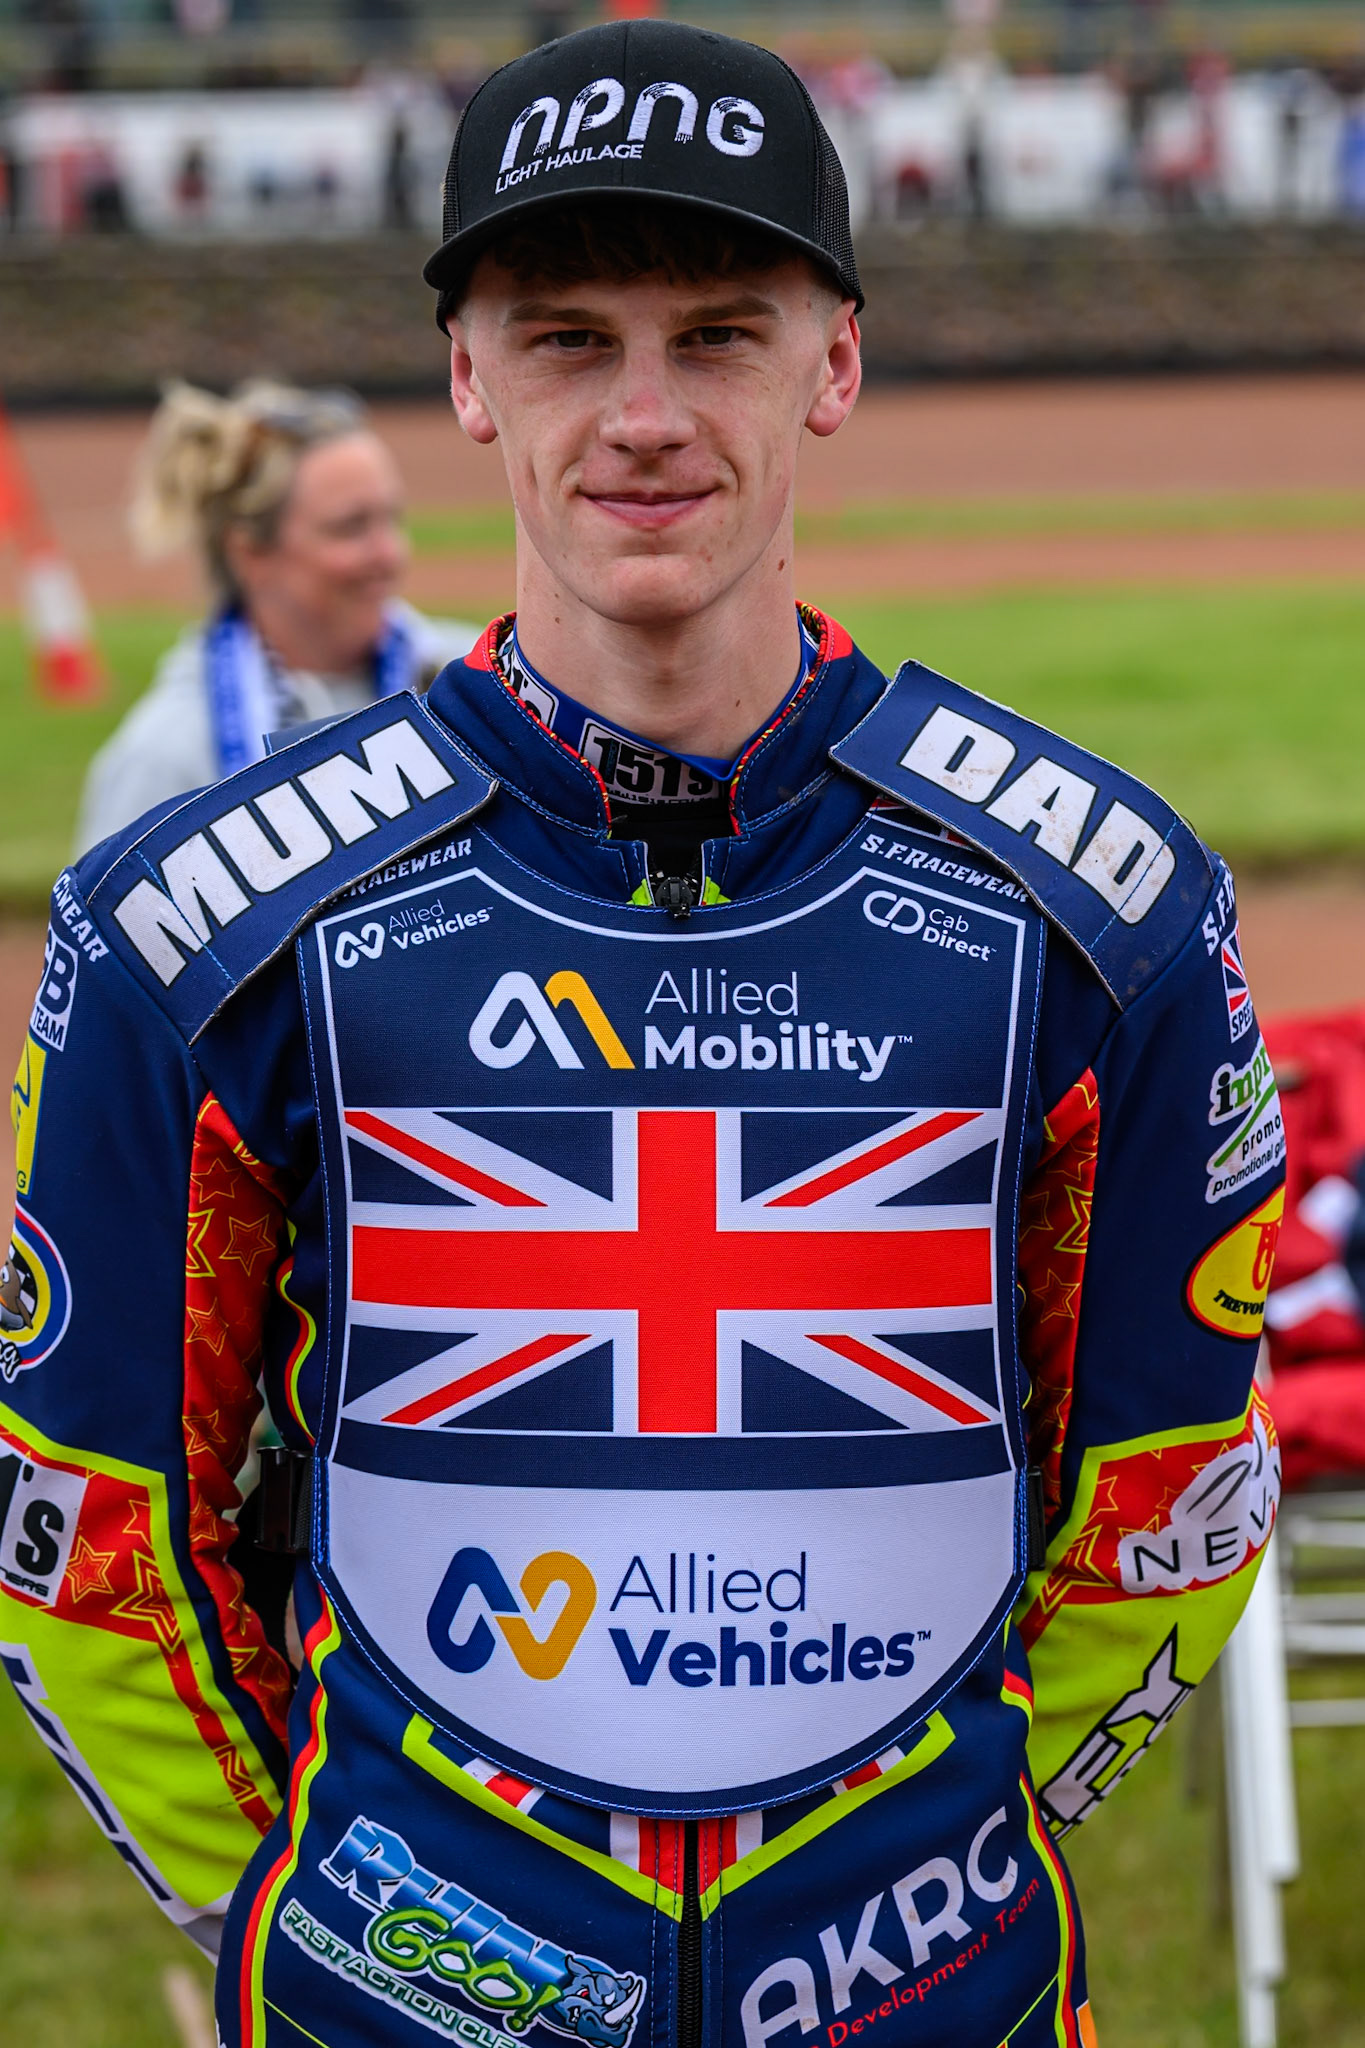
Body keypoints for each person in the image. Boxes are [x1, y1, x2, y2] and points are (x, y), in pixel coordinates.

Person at [5, 21, 1282, 2048]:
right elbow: (88, 1544)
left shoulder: (1104, 907)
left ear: (834, 364)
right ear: (464, 378)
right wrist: (338, 1904)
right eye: (568, 336)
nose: (644, 415)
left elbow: (1167, 1494)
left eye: (719, 331)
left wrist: (927, 1844)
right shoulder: (196, 924)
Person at [73, 379, 478, 854]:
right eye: (351, 528)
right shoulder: (166, 758)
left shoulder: (474, 680)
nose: (390, 554)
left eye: (391, 518)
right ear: (250, 553)